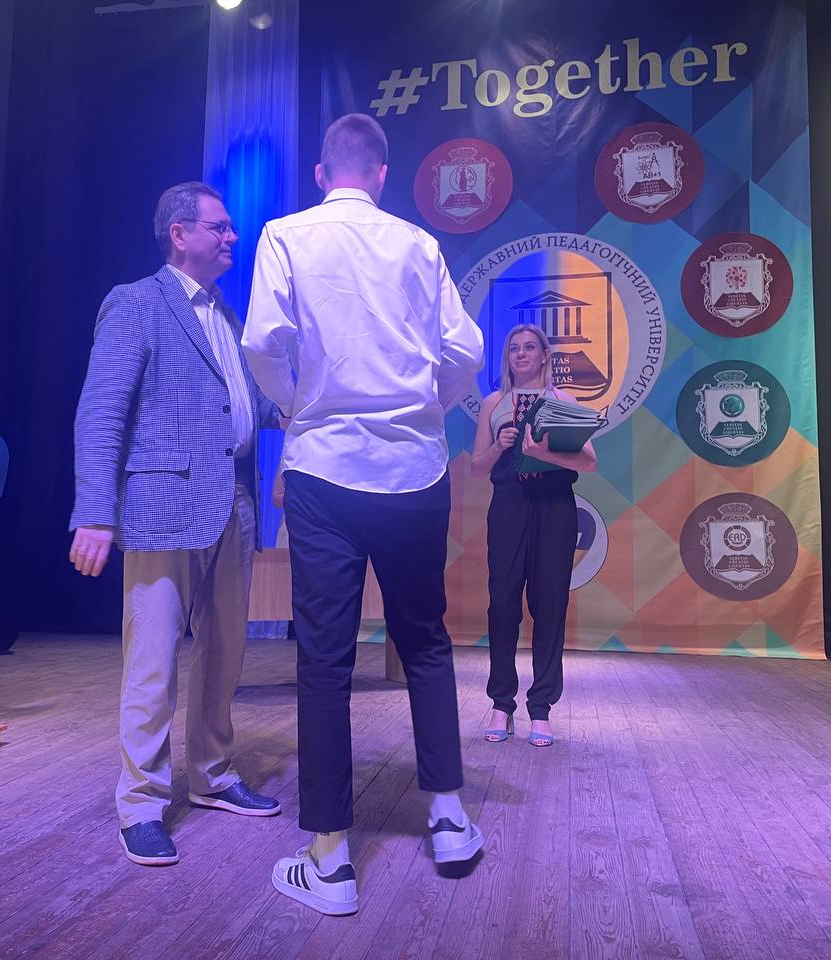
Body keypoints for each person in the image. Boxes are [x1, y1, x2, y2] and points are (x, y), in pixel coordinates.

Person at [243, 113, 486, 917]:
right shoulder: (419, 243)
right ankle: (448, 819)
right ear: (382, 174)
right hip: (414, 469)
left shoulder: (284, 235)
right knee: (425, 641)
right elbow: (465, 352)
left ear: (322, 174)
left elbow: (262, 343)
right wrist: (426, 409)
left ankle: (330, 860)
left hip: (324, 468)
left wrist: (298, 407)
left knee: (323, 658)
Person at [69, 181, 284, 868]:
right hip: (161, 507)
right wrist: (95, 512)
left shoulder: (225, 313)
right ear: (179, 234)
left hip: (234, 506)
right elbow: (101, 412)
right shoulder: (136, 302)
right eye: (219, 227)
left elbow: (246, 405)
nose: (232, 237)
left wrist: (307, 400)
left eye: (231, 228)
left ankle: (213, 775)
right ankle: (141, 803)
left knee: (226, 654)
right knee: (154, 662)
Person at [469, 324, 597, 747]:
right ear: (507, 357)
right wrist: (499, 446)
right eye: (513, 348)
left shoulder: (564, 401)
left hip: (555, 507)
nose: (521, 354)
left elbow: (589, 462)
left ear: (544, 355)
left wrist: (545, 452)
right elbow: (477, 468)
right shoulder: (493, 403)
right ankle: (501, 704)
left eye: (529, 347)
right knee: (503, 604)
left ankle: (541, 708)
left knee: (550, 604)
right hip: (508, 506)